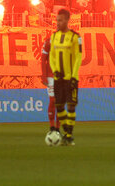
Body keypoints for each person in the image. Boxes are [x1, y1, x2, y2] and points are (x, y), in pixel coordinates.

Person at [47, 9, 82, 146]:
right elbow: (52, 56)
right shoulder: (54, 37)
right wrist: (55, 71)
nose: (58, 23)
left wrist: (73, 75)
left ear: (67, 20)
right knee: (59, 106)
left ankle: (68, 136)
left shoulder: (75, 37)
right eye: (57, 20)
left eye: (61, 20)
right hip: (58, 78)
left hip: (70, 78)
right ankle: (68, 132)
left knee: (71, 106)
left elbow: (78, 57)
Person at [41, 35, 59, 134]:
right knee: (53, 101)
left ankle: (58, 128)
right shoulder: (49, 41)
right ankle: (52, 126)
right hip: (50, 76)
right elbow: (43, 59)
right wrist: (43, 76)